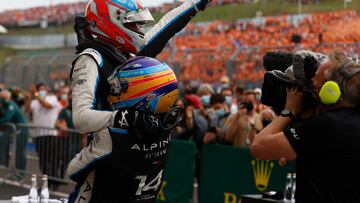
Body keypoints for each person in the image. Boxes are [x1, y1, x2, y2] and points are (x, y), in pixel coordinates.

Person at [251, 49, 360, 203]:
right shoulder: (350, 119)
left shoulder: (329, 124)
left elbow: (259, 147)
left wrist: (289, 112)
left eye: (316, 80)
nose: (310, 84)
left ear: (332, 91)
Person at [68, 56, 182, 203]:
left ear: (145, 95)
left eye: (120, 87)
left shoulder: (111, 135)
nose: (114, 92)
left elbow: (73, 171)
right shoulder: (166, 131)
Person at [0, 89, 28, 174]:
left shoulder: (11, 105)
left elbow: (6, 119)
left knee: (19, 152)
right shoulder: (6, 106)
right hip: (16, 130)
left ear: (7, 97)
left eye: (2, 98)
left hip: (21, 130)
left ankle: (21, 173)